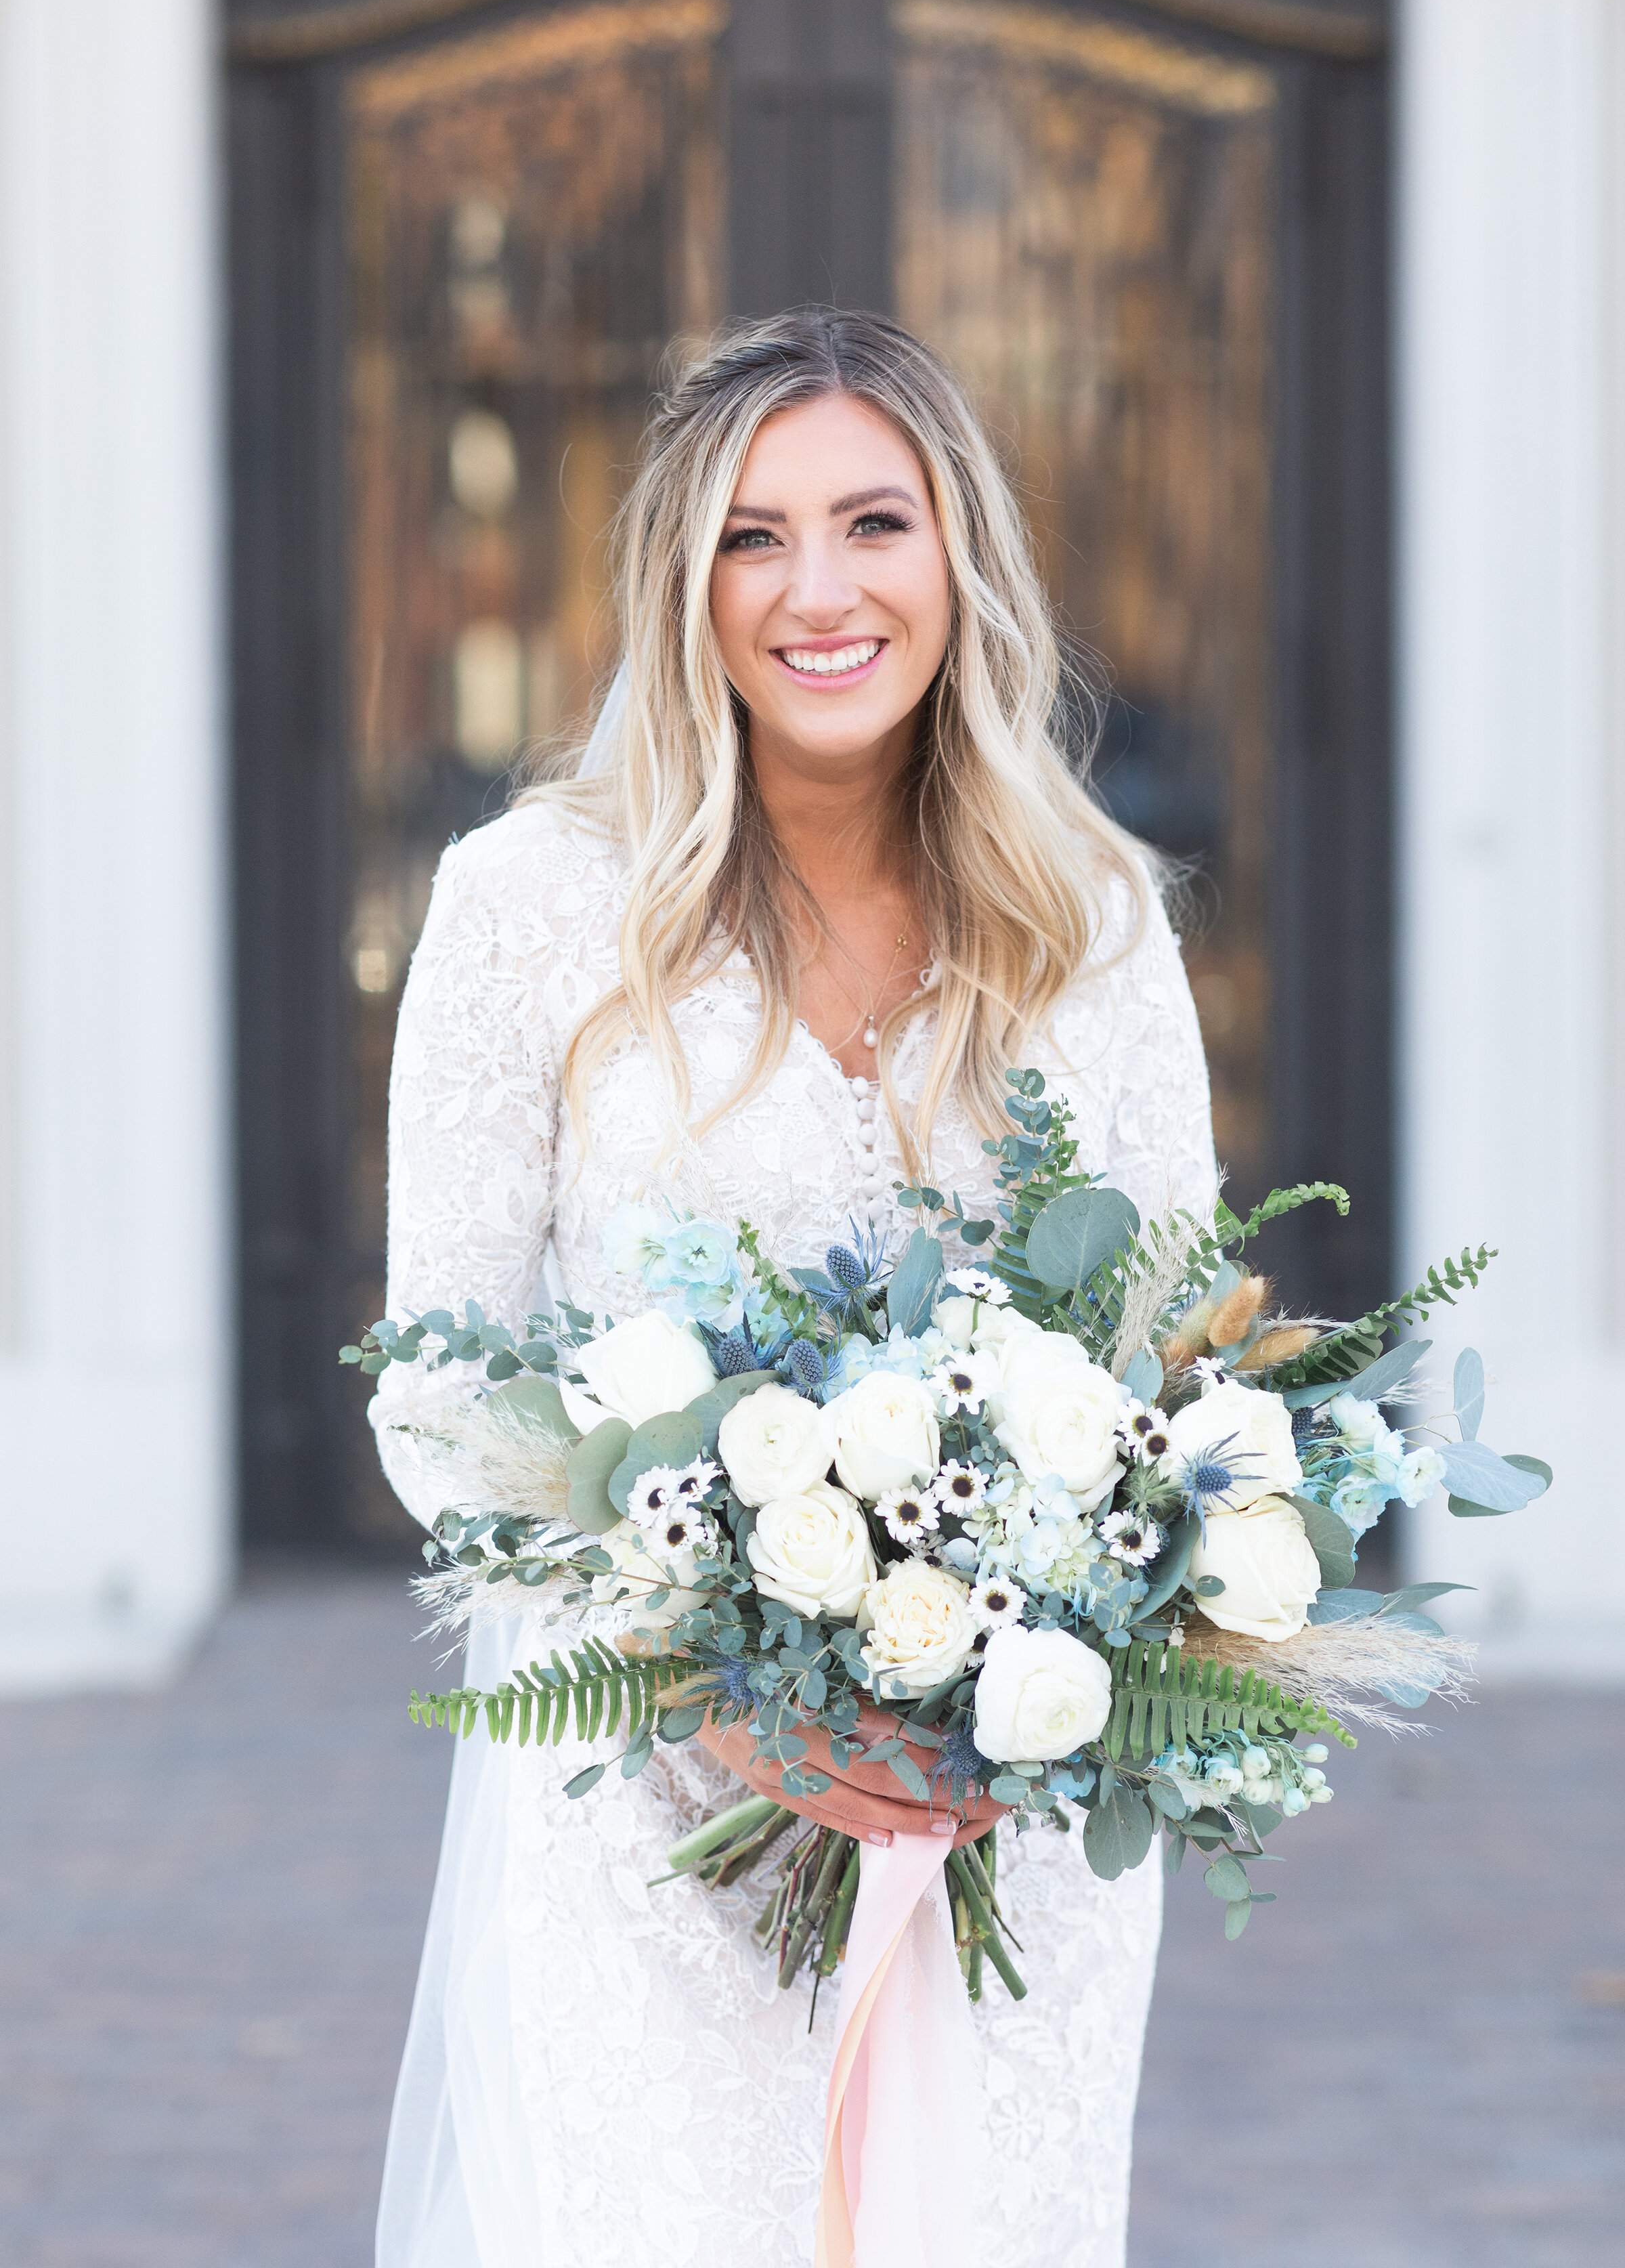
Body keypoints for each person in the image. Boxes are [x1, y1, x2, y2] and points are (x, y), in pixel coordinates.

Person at [370, 306, 1217, 2267]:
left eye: (873, 524)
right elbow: (441, 1388)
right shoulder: (528, 911)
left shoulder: (1092, 920)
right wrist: (711, 1684)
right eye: (753, 537)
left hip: (1010, 1816)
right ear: (684, 581)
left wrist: (1044, 1665)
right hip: (654, 1820)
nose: (816, 591)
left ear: (959, 560)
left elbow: (1170, 1360)